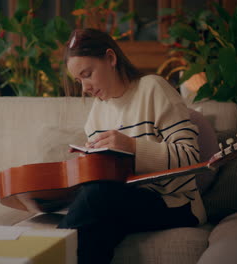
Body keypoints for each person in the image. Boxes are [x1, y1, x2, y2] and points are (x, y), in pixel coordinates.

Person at [58, 28, 207, 264]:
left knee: (97, 202)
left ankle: (50, 251)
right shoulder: (95, 115)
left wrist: (133, 147)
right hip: (121, 198)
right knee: (97, 227)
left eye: (87, 74)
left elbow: (191, 158)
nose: (84, 87)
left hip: (175, 201)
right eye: (78, 80)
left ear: (110, 58)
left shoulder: (153, 89)